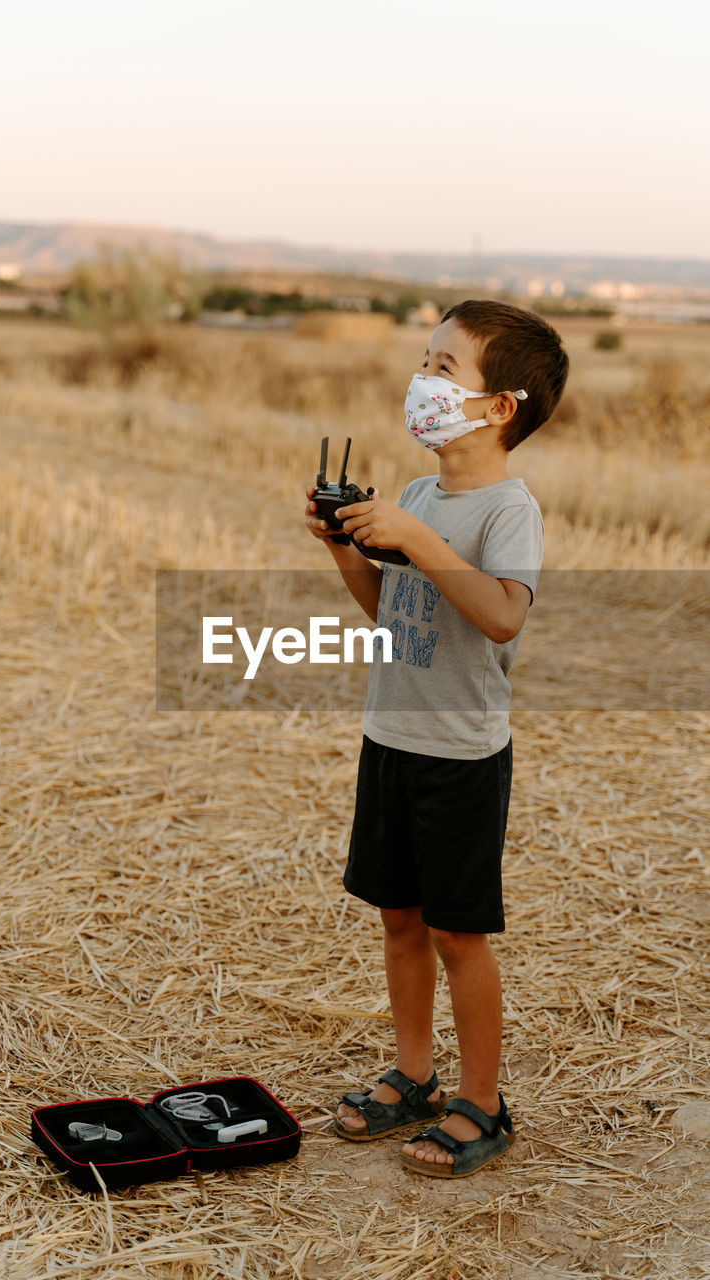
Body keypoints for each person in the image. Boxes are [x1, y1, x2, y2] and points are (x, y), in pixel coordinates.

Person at [303, 299, 569, 1178]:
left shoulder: (507, 512)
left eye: (444, 369)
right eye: (426, 361)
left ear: (500, 409)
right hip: (392, 737)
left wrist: (413, 536)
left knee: (459, 935)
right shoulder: (416, 494)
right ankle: (413, 1075)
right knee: (398, 919)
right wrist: (347, 545)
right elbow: (389, 612)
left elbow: (498, 618)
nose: (423, 381)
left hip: (459, 754)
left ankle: (482, 1103)